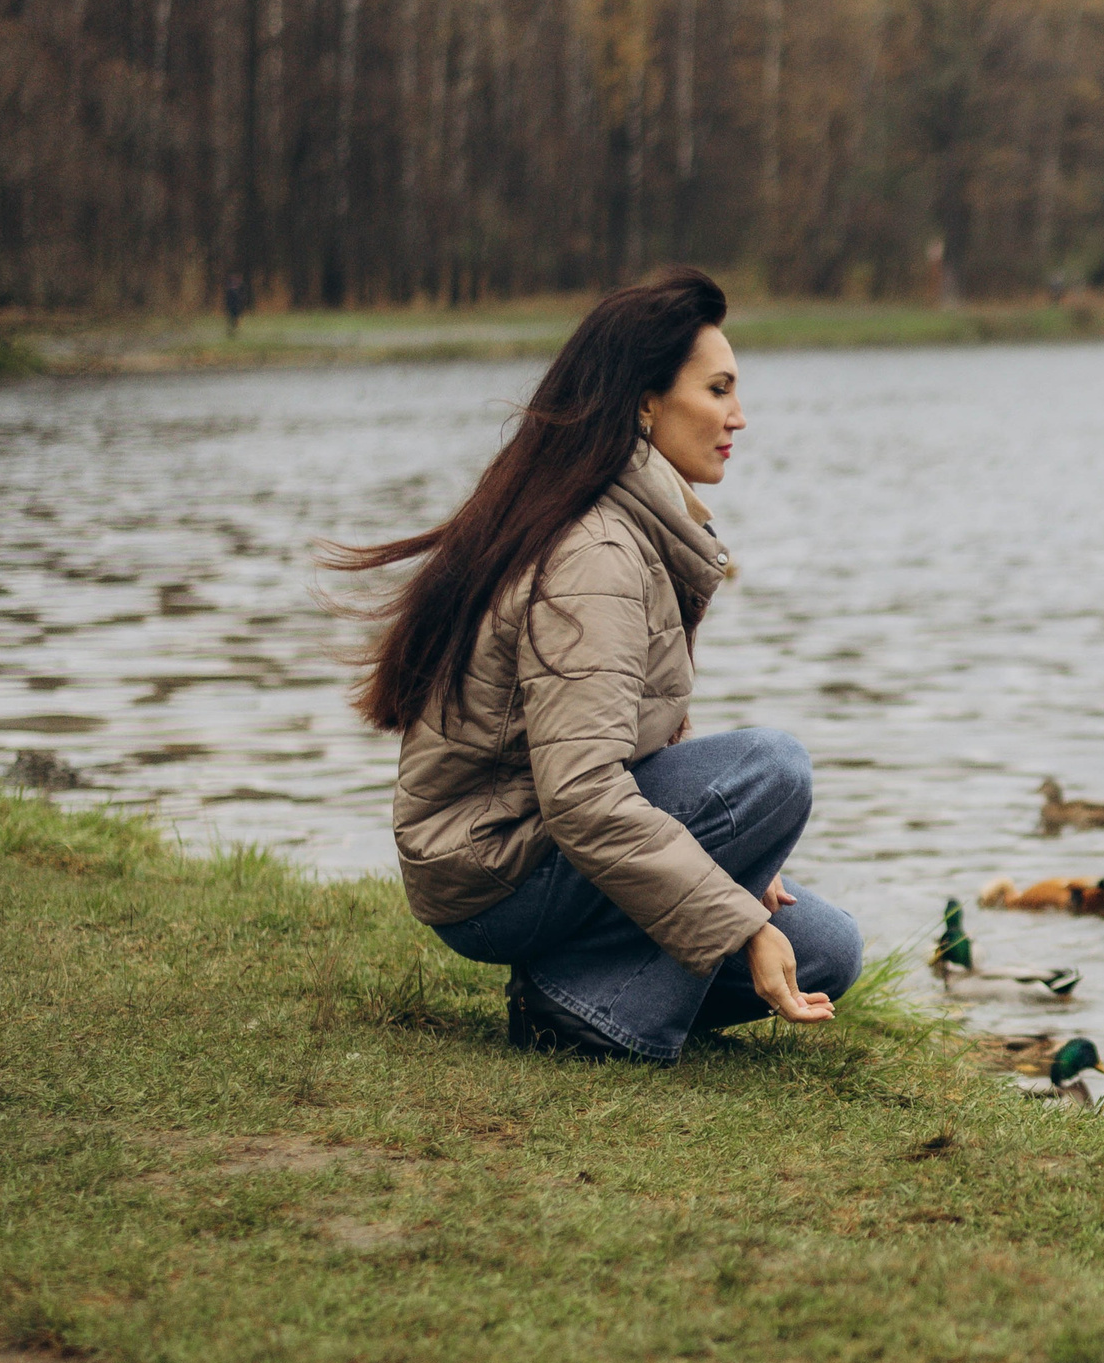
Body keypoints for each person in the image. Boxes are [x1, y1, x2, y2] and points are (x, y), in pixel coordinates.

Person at [328, 266, 858, 1061]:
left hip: (541, 848)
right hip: (495, 870)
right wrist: (738, 909)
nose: (739, 417)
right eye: (718, 390)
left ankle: (576, 983)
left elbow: (624, 738)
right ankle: (594, 1015)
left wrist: (737, 853)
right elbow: (580, 796)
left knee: (827, 949)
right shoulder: (598, 552)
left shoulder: (632, 522)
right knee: (774, 768)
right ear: (645, 401)